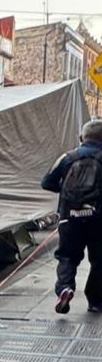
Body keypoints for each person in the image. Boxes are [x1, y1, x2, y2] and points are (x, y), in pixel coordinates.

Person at [43, 119, 102, 314]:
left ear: (81, 138)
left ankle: (65, 288)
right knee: (99, 260)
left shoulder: (68, 157)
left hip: (70, 217)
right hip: (98, 218)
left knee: (67, 256)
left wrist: (67, 191)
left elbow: (46, 182)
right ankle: (95, 301)